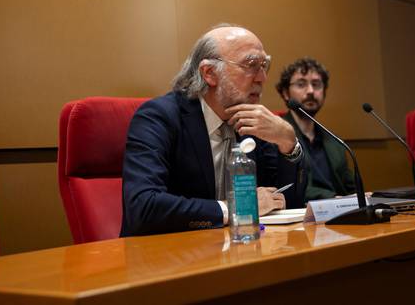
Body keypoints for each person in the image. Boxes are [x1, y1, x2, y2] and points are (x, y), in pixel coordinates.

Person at [121, 26, 305, 236]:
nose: (262, 78)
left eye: (264, 66)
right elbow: (143, 208)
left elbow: (288, 202)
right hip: (164, 257)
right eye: (252, 65)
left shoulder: (254, 123)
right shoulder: (158, 118)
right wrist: (234, 208)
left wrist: (289, 144)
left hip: (235, 251)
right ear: (209, 73)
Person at [275, 57, 355, 202]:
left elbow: (349, 186)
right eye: (301, 84)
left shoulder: (334, 140)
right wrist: (334, 199)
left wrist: (361, 198)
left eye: (316, 84)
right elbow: (287, 186)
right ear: (286, 93)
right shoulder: (276, 136)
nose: (311, 91)